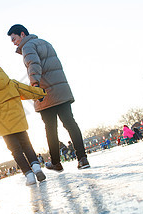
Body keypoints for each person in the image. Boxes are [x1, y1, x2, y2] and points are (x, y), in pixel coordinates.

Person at [7, 24, 90, 171]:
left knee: (51, 129)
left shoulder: (27, 46)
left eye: (14, 38)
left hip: (46, 93)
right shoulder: (45, 43)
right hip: (61, 89)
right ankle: (82, 158)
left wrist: (35, 86)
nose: (13, 42)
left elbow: (34, 64)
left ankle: (56, 162)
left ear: (22, 34)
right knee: (70, 123)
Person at [0, 61, 47, 186]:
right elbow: (28, 90)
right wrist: (40, 93)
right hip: (19, 121)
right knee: (27, 145)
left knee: (16, 151)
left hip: (4, 128)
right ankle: (37, 168)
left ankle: (29, 176)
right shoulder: (12, 83)